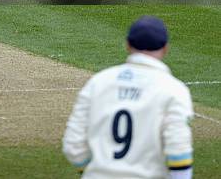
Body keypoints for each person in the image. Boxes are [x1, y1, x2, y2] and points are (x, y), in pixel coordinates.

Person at [62, 16, 194, 178]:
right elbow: (178, 153)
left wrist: (94, 171)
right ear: (166, 48)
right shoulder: (174, 89)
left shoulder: (98, 82)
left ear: (128, 45)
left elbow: (73, 145)